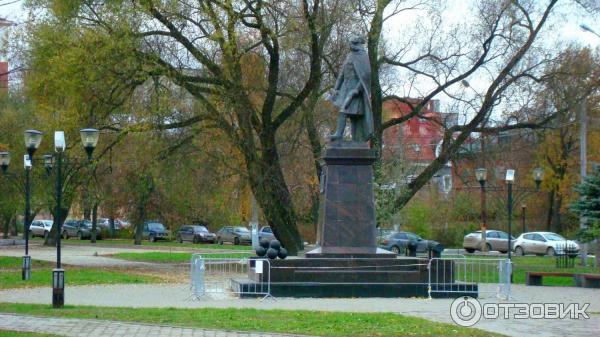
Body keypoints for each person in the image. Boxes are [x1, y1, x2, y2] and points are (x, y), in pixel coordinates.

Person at [327, 35, 373, 142]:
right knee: (354, 117)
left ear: (359, 44)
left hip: (356, 91)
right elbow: (342, 75)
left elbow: (366, 75)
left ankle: (339, 134)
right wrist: (336, 89)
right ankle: (356, 140)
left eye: (354, 43)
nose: (351, 46)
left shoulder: (363, 56)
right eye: (350, 43)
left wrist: (357, 89)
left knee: (344, 111)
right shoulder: (349, 56)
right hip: (346, 89)